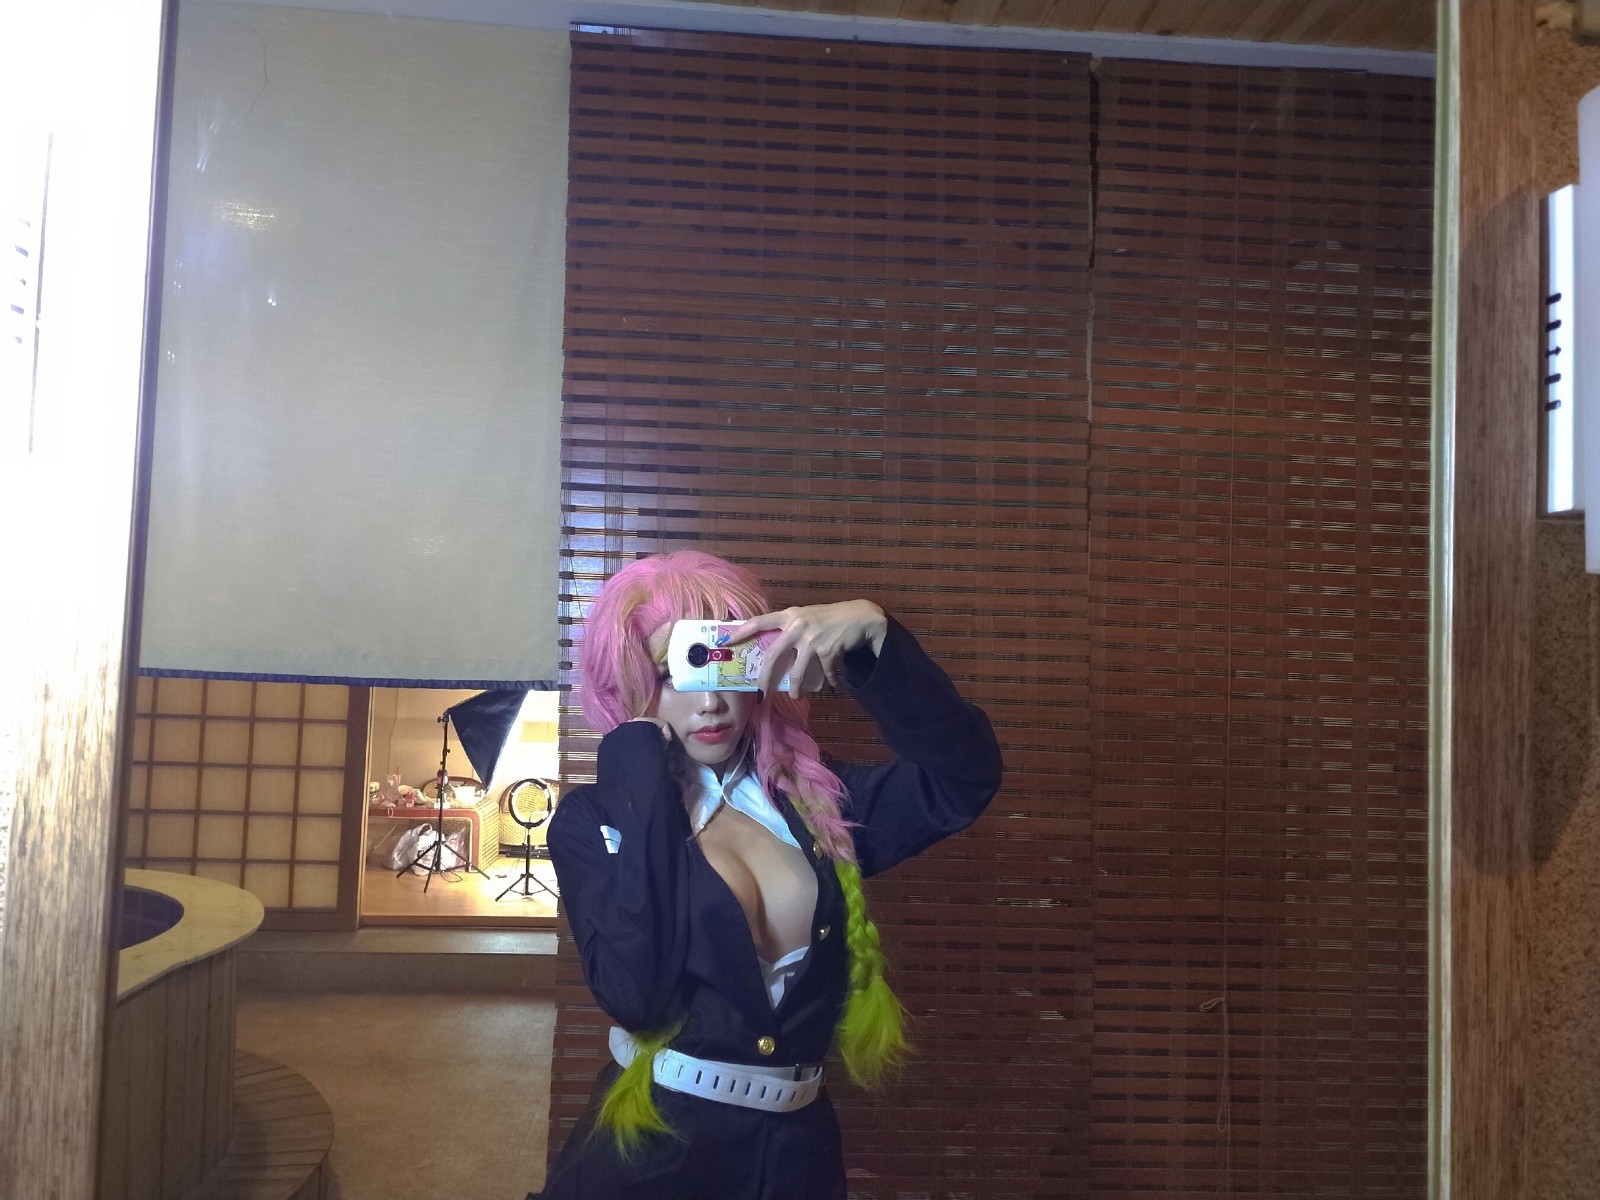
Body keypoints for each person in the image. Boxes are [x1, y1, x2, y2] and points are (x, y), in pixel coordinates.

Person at [533, 550, 1002, 1200]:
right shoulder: (594, 822)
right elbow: (636, 996)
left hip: (797, 1157)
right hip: (651, 1156)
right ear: (628, 681)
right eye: (675, 673)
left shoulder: (817, 804)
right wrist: (634, 752)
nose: (712, 702)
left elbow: (963, 780)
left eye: (727, 664)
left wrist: (877, 640)